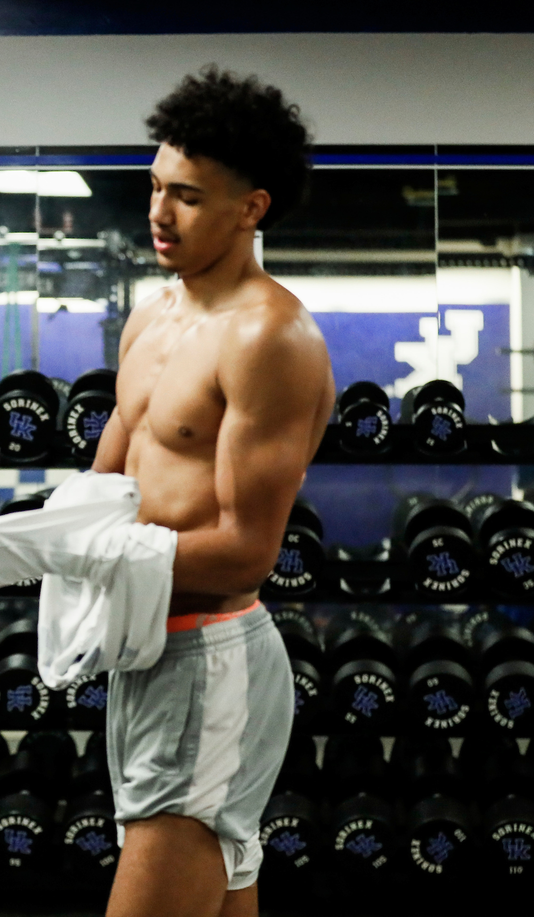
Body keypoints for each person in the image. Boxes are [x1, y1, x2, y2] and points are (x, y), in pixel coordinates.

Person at [91, 68, 334, 917]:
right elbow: (105, 489)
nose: (158, 211)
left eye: (187, 196)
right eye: (155, 186)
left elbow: (246, 548)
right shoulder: (151, 318)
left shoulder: (272, 336)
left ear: (250, 208)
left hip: (209, 659)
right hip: (143, 655)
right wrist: (35, 545)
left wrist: (91, 556)